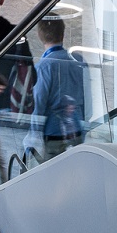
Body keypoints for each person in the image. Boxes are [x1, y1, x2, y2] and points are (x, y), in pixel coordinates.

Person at [31, 19, 87, 158]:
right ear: (63, 34)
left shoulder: (43, 66)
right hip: (77, 128)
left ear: (40, 36)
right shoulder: (78, 60)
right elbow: (88, 99)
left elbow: (38, 105)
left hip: (53, 133)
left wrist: (32, 137)